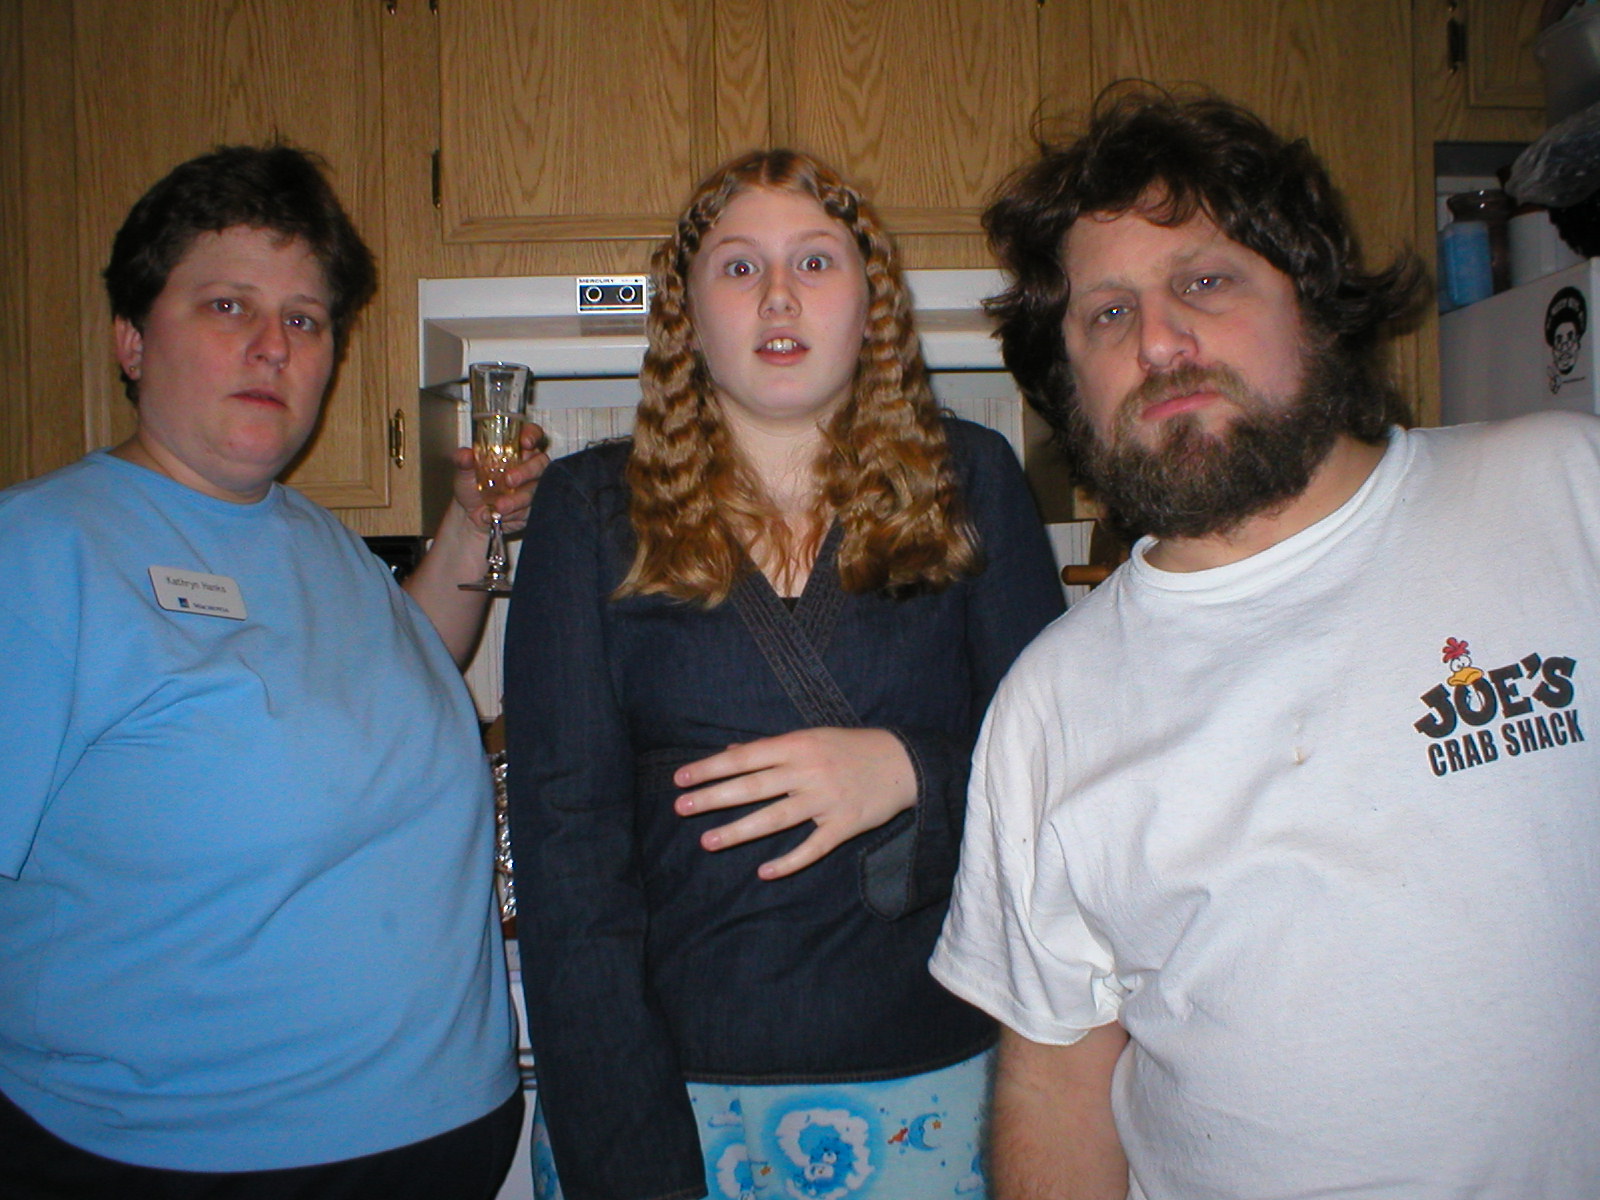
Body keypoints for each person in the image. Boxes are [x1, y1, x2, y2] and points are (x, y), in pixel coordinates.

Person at [928, 86, 1600, 1199]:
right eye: (1106, 314)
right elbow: (1056, 1079)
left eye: (1204, 281)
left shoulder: (1562, 491)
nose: (1157, 339)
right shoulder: (1049, 704)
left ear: (1313, 304)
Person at [503, 148, 1064, 1200]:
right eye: (737, 266)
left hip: (934, 1090)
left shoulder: (975, 481)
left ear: (871, 303)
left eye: (815, 260)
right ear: (686, 314)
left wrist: (911, 772)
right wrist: (629, 1162)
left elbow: (1065, 780)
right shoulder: (588, 513)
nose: (777, 295)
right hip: (670, 1094)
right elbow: (567, 868)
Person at [0, 143, 547, 1197]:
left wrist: (475, 523)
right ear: (130, 338)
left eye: (304, 319)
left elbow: (409, 665)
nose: (271, 346)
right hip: (189, 1159)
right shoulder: (40, 553)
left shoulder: (313, 535)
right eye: (227, 306)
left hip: (440, 1134)